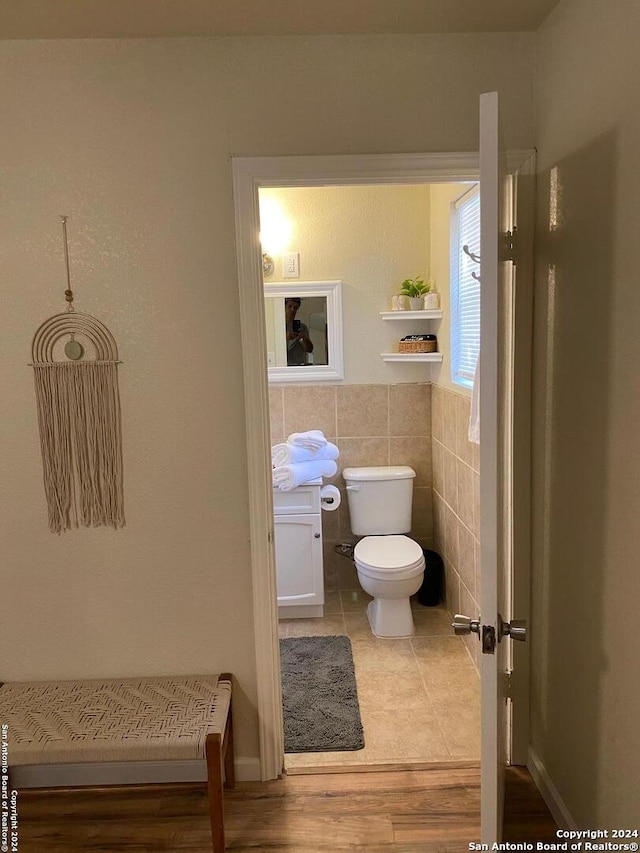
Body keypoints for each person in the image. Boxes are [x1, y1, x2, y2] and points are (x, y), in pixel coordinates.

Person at [285, 297, 314, 365]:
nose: (292, 310)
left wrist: (303, 338)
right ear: (284, 307)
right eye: (290, 306)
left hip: (299, 367)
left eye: (295, 308)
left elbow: (309, 349)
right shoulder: (278, 328)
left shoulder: (302, 327)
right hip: (285, 367)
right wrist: (285, 337)